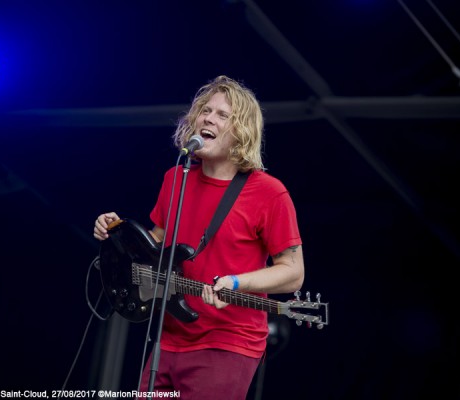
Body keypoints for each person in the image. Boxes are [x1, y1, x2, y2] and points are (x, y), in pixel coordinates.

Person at [93, 75, 304, 400]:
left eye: (222, 115)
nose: (208, 118)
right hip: (169, 336)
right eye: (205, 110)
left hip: (229, 341)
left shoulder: (269, 193)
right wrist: (117, 232)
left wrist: (236, 283)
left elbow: (293, 272)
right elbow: (156, 242)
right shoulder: (176, 177)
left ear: (241, 131)